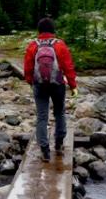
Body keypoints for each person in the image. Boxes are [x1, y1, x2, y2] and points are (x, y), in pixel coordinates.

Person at [24, 17, 78, 162]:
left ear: (39, 30)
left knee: (42, 116)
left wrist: (31, 82)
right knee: (59, 113)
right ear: (53, 29)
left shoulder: (33, 45)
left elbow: (28, 68)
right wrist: (73, 86)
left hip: (39, 85)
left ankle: (44, 151)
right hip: (57, 84)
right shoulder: (60, 44)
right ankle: (59, 144)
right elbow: (68, 67)